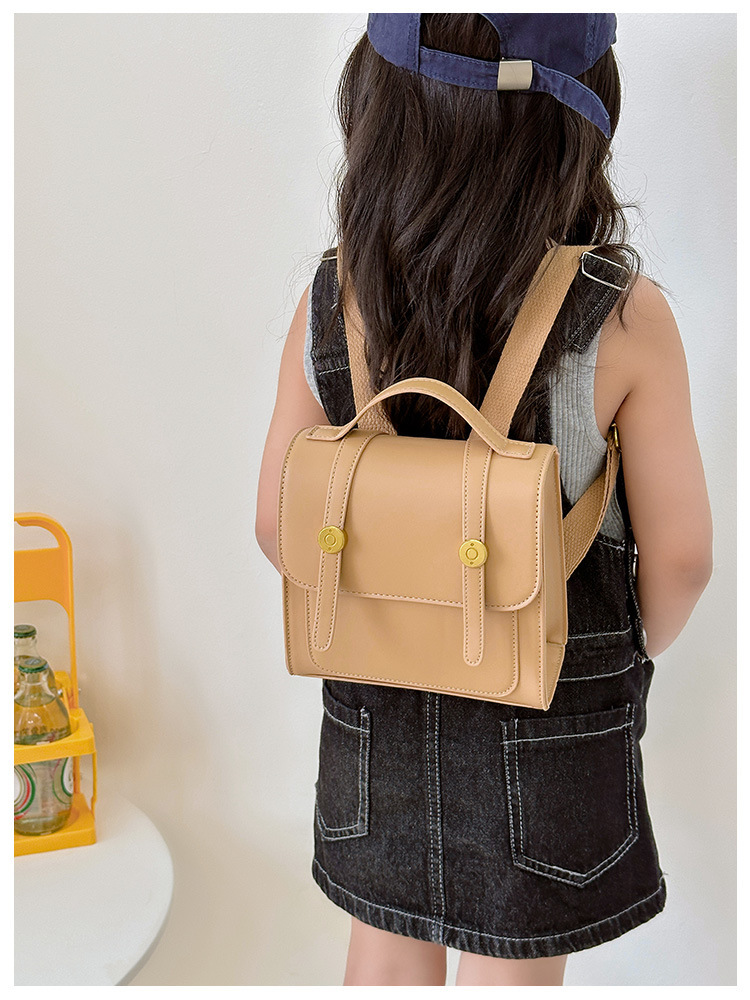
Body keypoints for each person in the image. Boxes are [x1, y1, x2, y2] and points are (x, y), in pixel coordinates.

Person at [255, 13, 713, 987]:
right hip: (549, 718)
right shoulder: (622, 315)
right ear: (582, 121)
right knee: (516, 970)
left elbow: (276, 523)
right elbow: (681, 560)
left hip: (376, 723)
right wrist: (616, 654)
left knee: (383, 950)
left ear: (378, 106)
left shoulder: (335, 297)